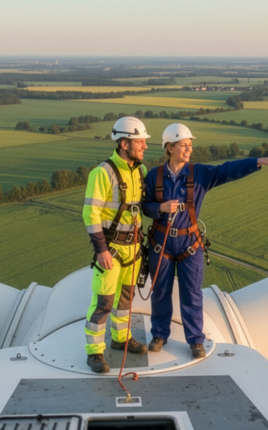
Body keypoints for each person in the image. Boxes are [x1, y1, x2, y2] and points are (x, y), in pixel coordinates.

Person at [142, 123, 268, 358]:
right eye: (183, 145)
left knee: (192, 293)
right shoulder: (153, 176)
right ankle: (159, 334)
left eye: (190, 145)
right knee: (160, 291)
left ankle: (195, 340)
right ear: (170, 148)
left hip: (190, 244)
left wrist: (258, 161)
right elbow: (145, 206)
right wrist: (160, 208)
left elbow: (227, 170)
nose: (189, 149)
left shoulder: (199, 174)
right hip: (161, 243)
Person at [82, 116, 151, 373]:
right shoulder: (103, 173)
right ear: (124, 143)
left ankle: (121, 339)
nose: (145, 146)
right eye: (140, 142)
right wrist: (101, 250)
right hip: (111, 250)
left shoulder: (141, 171)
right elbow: (90, 214)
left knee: (126, 299)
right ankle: (94, 352)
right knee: (103, 302)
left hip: (134, 249)